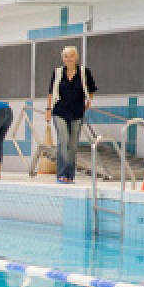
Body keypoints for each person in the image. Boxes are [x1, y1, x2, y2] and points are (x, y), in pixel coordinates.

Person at [47, 46, 96, 184]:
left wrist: (89, 101)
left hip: (77, 112)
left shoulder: (84, 72)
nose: (69, 59)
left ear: (76, 57)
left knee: (73, 145)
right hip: (59, 111)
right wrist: (48, 109)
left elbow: (92, 89)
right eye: (66, 56)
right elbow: (51, 92)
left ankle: (69, 175)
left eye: (71, 56)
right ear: (63, 58)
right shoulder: (57, 72)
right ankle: (61, 174)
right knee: (63, 141)